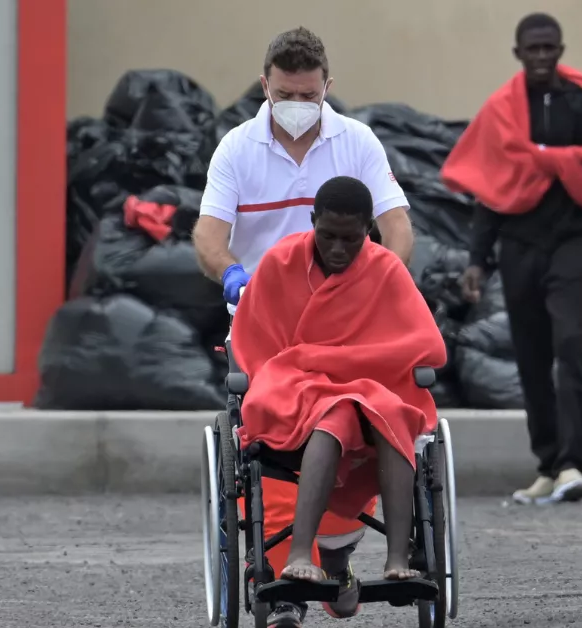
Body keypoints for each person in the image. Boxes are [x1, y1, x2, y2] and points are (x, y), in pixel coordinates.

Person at [194, 26, 413, 627]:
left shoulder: (358, 142)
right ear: (265, 85)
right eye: (285, 93)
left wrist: (382, 283)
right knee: (274, 437)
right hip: (265, 325)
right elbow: (209, 239)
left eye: (308, 95)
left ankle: (335, 549)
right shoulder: (237, 149)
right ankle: (284, 577)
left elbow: (396, 228)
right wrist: (234, 275)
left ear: (327, 89)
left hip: (346, 321)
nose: (297, 105)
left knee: (373, 416)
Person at [231, 175, 446, 596]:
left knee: (389, 412)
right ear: (312, 221)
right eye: (327, 236)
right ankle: (298, 555)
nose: (337, 249)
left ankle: (399, 558)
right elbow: (257, 346)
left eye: (351, 239)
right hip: (294, 387)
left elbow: (424, 343)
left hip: (369, 389)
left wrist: (338, 365)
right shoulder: (280, 262)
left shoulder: (385, 269)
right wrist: (309, 367)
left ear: (370, 230)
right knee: (336, 413)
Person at [442, 12, 582, 505]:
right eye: (532, 49)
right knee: (531, 358)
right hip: (518, 248)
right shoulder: (501, 111)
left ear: (560, 50)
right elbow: (488, 189)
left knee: (569, 342)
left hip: (572, 244)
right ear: (518, 54)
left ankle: (572, 464)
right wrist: (477, 260)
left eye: (549, 48)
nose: (542, 56)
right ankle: (547, 465)